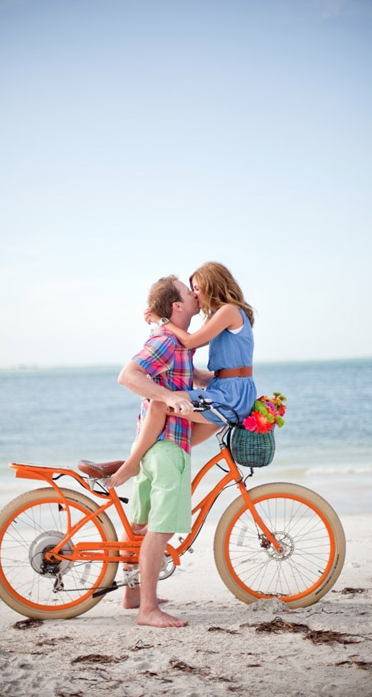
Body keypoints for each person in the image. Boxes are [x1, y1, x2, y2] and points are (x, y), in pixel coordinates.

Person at [115, 274, 214, 628]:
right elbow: (128, 375)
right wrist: (169, 397)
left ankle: (132, 593)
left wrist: (202, 380)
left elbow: (176, 376)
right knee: (161, 528)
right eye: (190, 292)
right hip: (166, 445)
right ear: (176, 306)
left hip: (154, 443)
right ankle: (148, 610)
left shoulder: (178, 343)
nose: (196, 295)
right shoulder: (166, 342)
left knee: (141, 524)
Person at [108, 261, 256, 488]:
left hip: (231, 396)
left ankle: (133, 462)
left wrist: (162, 321)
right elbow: (217, 371)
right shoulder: (225, 315)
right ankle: (159, 470)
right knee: (180, 443)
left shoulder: (228, 311)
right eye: (192, 290)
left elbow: (189, 341)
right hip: (230, 392)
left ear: (212, 285)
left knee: (159, 403)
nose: (195, 295)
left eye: (197, 288)